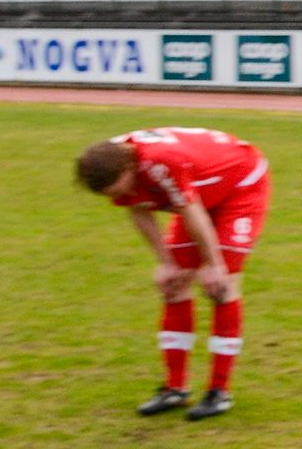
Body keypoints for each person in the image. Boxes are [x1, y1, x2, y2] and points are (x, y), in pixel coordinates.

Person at [75, 128, 271, 420]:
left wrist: (214, 265)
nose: (120, 196)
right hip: (196, 193)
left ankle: (219, 390)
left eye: (119, 189)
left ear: (129, 168)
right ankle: (175, 388)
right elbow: (138, 209)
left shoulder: (160, 162)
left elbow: (191, 211)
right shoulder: (112, 162)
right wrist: (167, 263)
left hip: (240, 184)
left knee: (220, 286)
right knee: (174, 285)